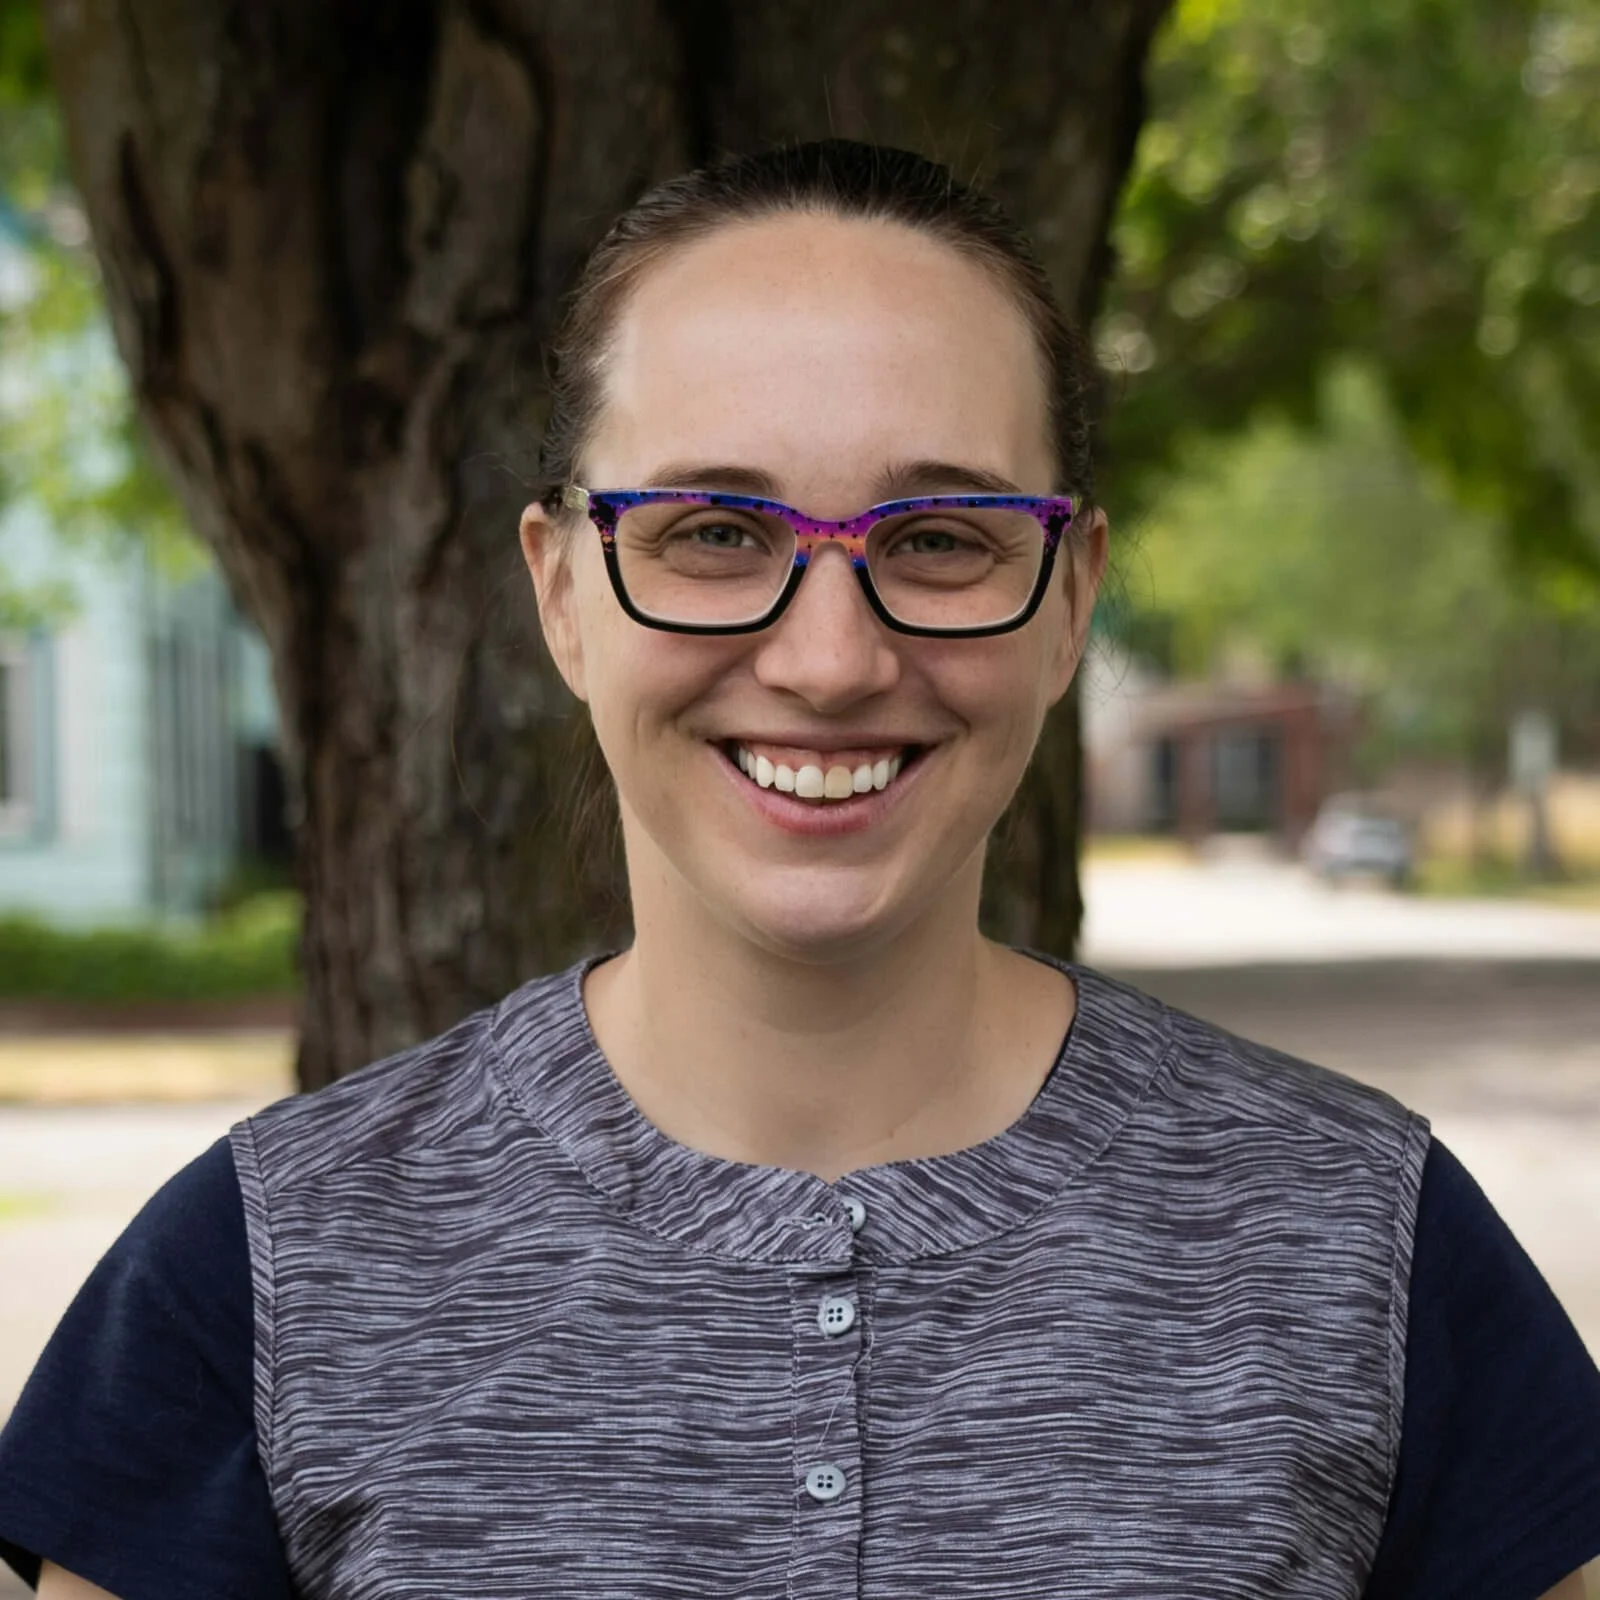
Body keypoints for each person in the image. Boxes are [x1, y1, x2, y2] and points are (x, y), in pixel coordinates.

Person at [2, 139, 1597, 1600]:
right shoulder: (266, 1271)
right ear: (563, 593)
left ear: (1068, 600)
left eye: (940, 540)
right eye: (713, 532)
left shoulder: (1362, 1251)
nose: (830, 661)